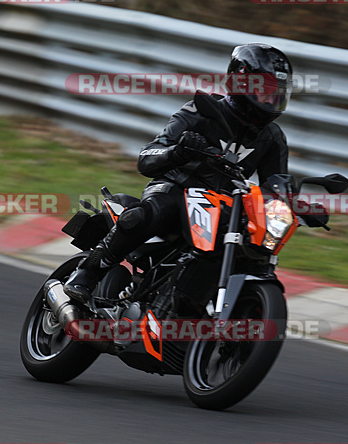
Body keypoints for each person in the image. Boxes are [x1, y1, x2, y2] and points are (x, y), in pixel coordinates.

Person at [63, 43, 308, 303]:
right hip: (177, 188)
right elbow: (146, 158)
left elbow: (274, 185)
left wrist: (293, 205)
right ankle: (87, 273)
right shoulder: (199, 111)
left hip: (225, 206)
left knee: (249, 245)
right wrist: (179, 152)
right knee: (154, 210)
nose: (271, 100)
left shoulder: (273, 137)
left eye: (277, 93)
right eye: (265, 91)